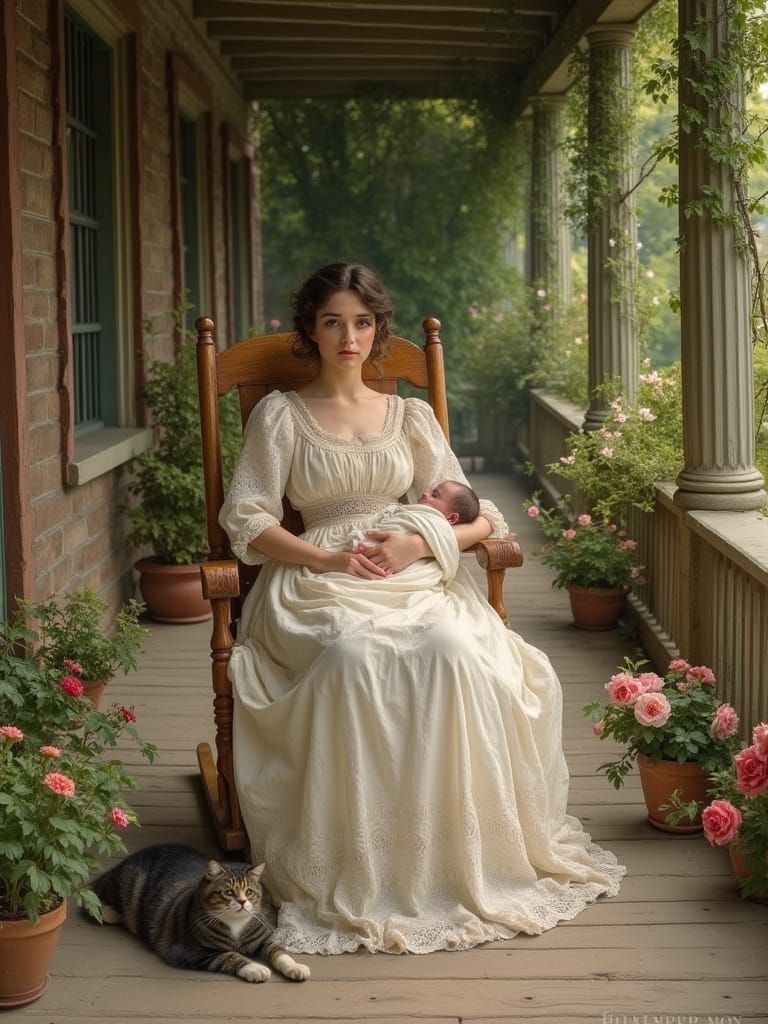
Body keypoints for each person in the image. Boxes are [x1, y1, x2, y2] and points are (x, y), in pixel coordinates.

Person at [220, 261, 625, 956]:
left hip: (414, 570)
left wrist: (420, 541)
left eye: (362, 321)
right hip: (319, 577)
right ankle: (361, 858)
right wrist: (327, 558)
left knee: (457, 653)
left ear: (379, 330)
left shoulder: (408, 415)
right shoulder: (280, 415)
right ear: (310, 330)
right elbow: (247, 518)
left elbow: (480, 518)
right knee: (352, 658)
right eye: (332, 321)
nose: (348, 335)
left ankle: (447, 844)